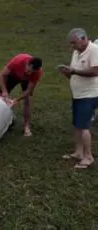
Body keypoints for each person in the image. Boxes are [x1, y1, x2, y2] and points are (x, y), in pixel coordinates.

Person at [58, 28, 98, 169]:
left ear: (83, 38)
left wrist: (74, 71)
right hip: (78, 95)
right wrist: (68, 72)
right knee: (77, 125)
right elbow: (75, 73)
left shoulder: (94, 50)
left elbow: (95, 71)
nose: (72, 46)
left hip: (89, 95)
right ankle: (78, 152)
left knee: (84, 126)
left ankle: (88, 157)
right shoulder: (76, 52)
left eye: (74, 43)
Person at [0, 53, 43, 137]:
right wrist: (4, 91)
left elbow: (28, 90)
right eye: (29, 70)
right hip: (14, 74)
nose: (29, 73)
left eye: (32, 72)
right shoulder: (17, 61)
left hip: (27, 81)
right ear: (28, 64)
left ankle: (26, 127)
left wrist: (16, 100)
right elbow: (1, 75)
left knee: (27, 100)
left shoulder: (37, 73)